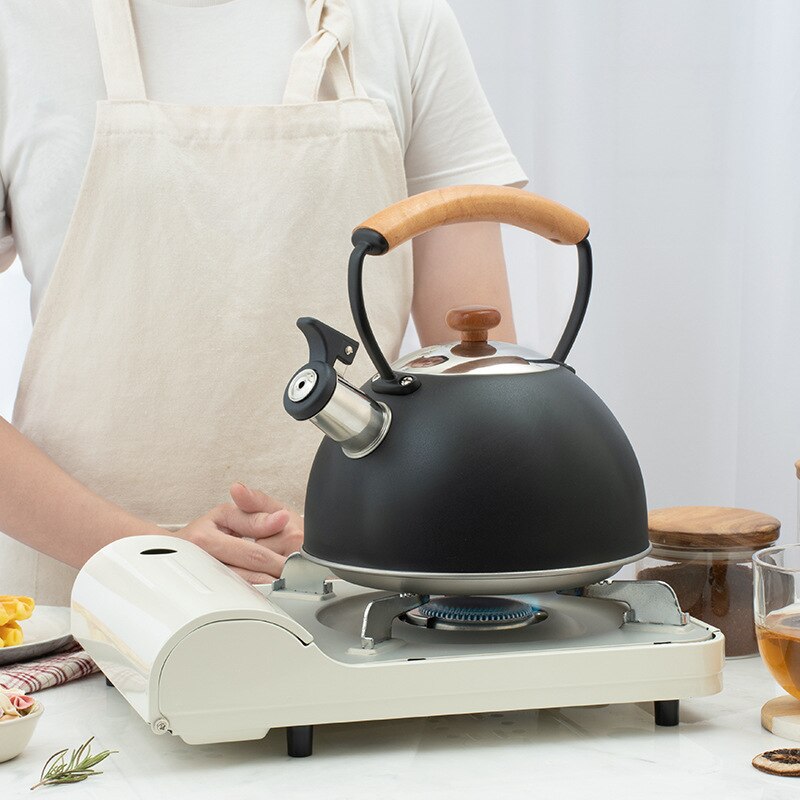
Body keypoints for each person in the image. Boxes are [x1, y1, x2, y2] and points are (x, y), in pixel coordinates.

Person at [0, 0, 526, 605]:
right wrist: (150, 552)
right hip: (79, 607)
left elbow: (477, 380)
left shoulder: (398, 19)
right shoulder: (18, 24)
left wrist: (356, 534)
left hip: (359, 598)